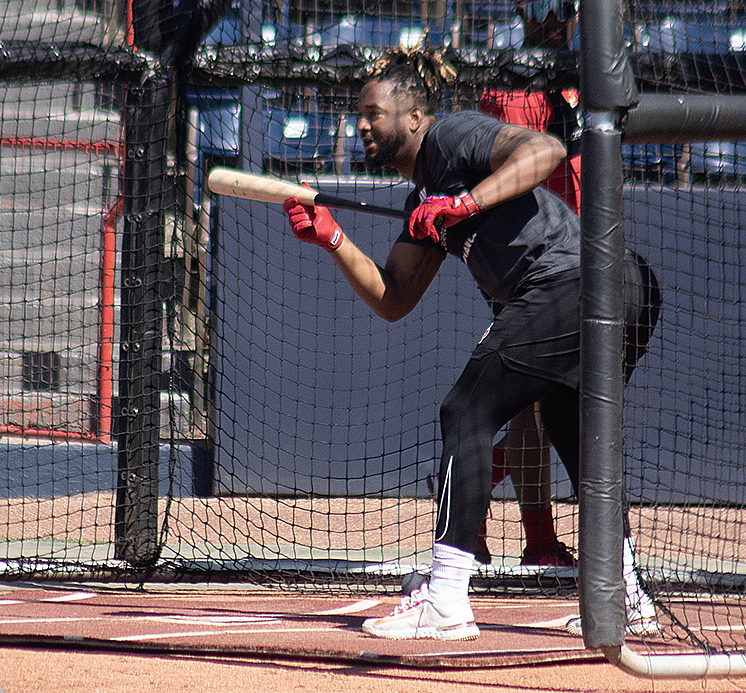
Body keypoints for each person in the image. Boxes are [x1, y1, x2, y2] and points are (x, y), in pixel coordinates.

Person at [282, 47, 660, 641]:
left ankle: (448, 598)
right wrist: (333, 237)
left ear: (413, 117)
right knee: (573, 432)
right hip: (614, 289)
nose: (360, 125)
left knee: (466, 410)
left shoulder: (452, 136)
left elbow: (547, 150)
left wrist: (465, 203)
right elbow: (393, 297)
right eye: (357, 115)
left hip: (581, 281)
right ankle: (627, 594)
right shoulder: (421, 203)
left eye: (372, 113)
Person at [475, 0, 584, 569]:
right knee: (530, 403)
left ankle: (470, 474)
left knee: (561, 399)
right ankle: (537, 537)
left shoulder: (588, 78)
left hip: (582, 252)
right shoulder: (507, 84)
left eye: (559, 8)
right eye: (538, 7)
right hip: (526, 256)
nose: (548, 18)